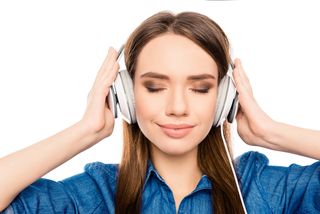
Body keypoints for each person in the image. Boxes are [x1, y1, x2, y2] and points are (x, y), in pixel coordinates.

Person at [0, 11, 319, 214]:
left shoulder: (266, 188)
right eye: (154, 87)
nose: (178, 108)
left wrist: (271, 132)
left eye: (200, 88)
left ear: (225, 98)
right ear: (125, 94)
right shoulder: (94, 194)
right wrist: (85, 131)